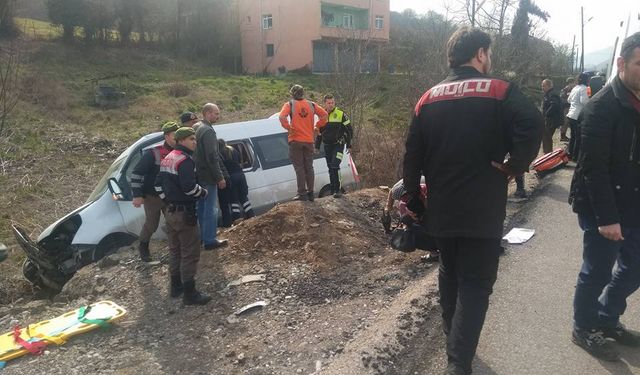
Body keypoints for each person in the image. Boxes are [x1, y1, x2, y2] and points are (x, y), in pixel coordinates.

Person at [403, 27, 543, 375]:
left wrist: (416, 204)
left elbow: (411, 157)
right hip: (482, 209)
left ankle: (455, 343)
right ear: (480, 54)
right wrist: (516, 165)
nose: (489, 59)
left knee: (450, 273)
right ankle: (458, 362)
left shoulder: (427, 98)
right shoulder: (499, 90)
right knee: (476, 283)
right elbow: (534, 122)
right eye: (488, 54)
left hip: (443, 211)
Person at [568, 32, 640, 362]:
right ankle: (584, 328)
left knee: (636, 266)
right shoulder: (601, 108)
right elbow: (593, 169)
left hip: (635, 202)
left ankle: (607, 318)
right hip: (603, 206)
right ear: (621, 63)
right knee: (596, 270)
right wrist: (608, 219)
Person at [156, 127, 211, 305]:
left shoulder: (167, 158)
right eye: (191, 139)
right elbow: (189, 188)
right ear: (181, 141)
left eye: (195, 139)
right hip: (184, 213)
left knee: (175, 250)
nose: (194, 142)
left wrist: (167, 201)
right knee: (190, 252)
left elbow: (157, 186)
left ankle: (175, 286)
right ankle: (190, 293)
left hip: (171, 211)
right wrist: (203, 193)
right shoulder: (185, 161)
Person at [130, 121, 178, 262]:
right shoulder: (153, 153)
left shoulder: (179, 152)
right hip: (153, 197)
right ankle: (143, 248)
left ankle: (175, 251)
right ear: (167, 136)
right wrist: (137, 195)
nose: (177, 138)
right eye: (174, 135)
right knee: (152, 224)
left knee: (174, 222)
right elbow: (136, 173)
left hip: (170, 196)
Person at [279, 84, 328, 201]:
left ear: (292, 94)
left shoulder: (290, 104)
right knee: (309, 168)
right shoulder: (312, 105)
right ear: (303, 93)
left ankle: (302, 193)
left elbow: (282, 117)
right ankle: (311, 193)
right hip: (309, 141)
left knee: (299, 168)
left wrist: (289, 128)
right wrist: (317, 126)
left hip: (295, 140)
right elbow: (325, 115)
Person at [194, 103, 228, 250]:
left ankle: (203, 237)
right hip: (208, 176)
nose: (217, 116)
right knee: (211, 208)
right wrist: (219, 177)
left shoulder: (196, 127)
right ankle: (210, 240)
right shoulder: (208, 131)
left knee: (201, 207)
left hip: (198, 174)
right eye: (215, 113)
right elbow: (212, 157)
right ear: (207, 113)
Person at [383, 178, 439, 262]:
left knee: (410, 230)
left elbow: (410, 222)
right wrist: (387, 211)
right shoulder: (400, 189)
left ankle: (436, 250)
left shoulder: (404, 202)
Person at [315, 94, 353, 198]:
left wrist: (349, 145)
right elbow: (319, 133)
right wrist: (317, 147)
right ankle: (332, 190)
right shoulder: (322, 116)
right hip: (327, 146)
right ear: (325, 104)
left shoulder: (341, 114)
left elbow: (349, 130)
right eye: (329, 103)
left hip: (339, 145)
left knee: (335, 165)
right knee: (330, 168)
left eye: (332, 102)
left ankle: (338, 190)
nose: (331, 105)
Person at [219, 139, 255, 222]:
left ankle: (237, 218)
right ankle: (251, 215)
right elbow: (240, 162)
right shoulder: (233, 150)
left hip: (231, 177)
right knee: (243, 197)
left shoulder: (219, 154)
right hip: (241, 176)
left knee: (233, 199)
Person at [567, 73, 590, 160]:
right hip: (578, 116)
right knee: (578, 137)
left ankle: (570, 154)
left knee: (573, 136)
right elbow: (584, 101)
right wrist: (592, 101)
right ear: (586, 80)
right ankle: (575, 156)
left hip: (571, 114)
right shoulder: (585, 88)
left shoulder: (575, 88)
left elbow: (568, 100)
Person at [541, 78, 564, 154]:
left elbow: (554, 105)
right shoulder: (548, 94)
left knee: (546, 137)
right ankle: (547, 153)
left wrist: (546, 114)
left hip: (552, 120)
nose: (542, 88)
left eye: (544, 86)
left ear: (549, 86)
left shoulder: (552, 94)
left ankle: (548, 154)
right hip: (549, 119)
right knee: (546, 137)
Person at [559, 77, 576, 142]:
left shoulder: (573, 89)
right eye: (573, 82)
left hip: (570, 107)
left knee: (568, 122)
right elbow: (562, 99)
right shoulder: (564, 90)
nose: (574, 84)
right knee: (565, 122)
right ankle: (562, 135)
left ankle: (564, 135)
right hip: (566, 107)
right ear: (570, 83)